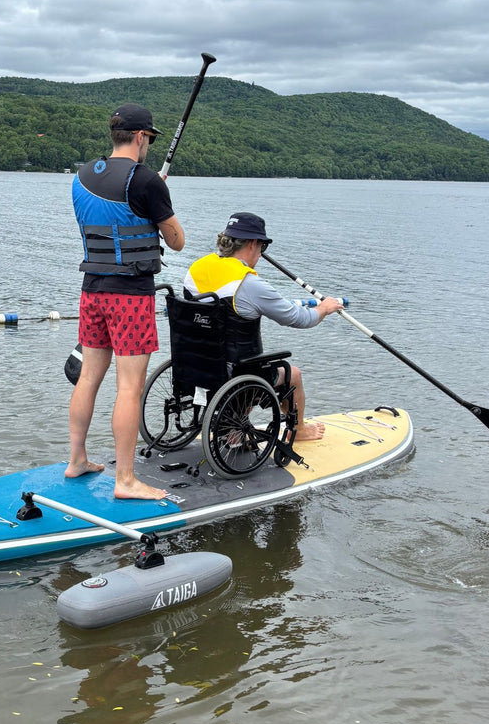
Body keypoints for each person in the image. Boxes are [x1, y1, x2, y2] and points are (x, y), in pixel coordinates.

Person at [67, 103, 185, 499]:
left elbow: (113, 212)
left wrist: (149, 200)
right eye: (149, 137)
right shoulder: (147, 182)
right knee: (130, 388)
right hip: (130, 296)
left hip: (91, 291)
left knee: (88, 377)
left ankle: (76, 459)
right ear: (139, 136)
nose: (148, 144)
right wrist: (158, 199)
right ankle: (126, 480)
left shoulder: (82, 176)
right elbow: (176, 241)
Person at [184, 212, 345, 441]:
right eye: (262, 247)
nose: (261, 253)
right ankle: (298, 430)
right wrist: (324, 308)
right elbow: (299, 318)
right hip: (232, 372)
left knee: (246, 364)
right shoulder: (249, 284)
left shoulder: (196, 270)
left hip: (193, 365)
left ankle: (233, 428)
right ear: (253, 244)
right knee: (292, 374)